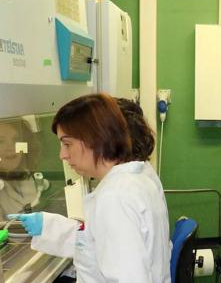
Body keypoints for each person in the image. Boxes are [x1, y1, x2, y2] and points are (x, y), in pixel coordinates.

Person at [9, 94, 171, 283]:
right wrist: (47, 226)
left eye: (67, 144)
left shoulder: (115, 197)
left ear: (96, 139)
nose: (62, 155)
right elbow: (96, 242)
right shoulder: (137, 177)